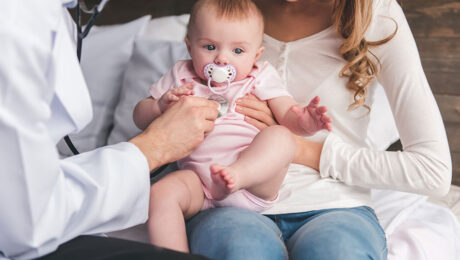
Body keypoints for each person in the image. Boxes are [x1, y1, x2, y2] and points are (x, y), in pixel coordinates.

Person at [185, 0, 453, 259]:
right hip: (229, 202)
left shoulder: (377, 15)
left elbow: (432, 171)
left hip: (334, 207)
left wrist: (294, 147)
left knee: (336, 254)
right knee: (242, 251)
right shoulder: (225, 10)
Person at [0, 0, 216, 259]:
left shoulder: (51, 16)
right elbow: (29, 222)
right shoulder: (15, 20)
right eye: (210, 46)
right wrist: (154, 146)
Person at [133, 0, 332, 253]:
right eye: (209, 47)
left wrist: (305, 122)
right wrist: (158, 107)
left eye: (238, 51)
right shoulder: (180, 75)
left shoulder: (259, 75)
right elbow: (139, 116)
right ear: (189, 46)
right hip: (199, 184)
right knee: (160, 194)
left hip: (253, 184)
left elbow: (287, 115)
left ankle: (235, 175)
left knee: (281, 136)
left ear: (256, 55)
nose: (222, 59)